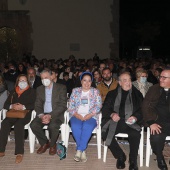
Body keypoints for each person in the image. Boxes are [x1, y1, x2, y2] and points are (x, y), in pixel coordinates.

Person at [102, 72, 143, 170]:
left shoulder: (137, 94)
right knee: (105, 132)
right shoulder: (112, 94)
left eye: (129, 80)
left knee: (135, 134)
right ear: (120, 83)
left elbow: (142, 109)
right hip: (117, 122)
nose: (128, 82)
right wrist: (112, 114)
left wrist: (135, 117)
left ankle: (133, 160)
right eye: (125, 80)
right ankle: (120, 156)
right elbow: (105, 109)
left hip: (131, 123)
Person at [0, 74, 36, 163]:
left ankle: (19, 153)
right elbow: (6, 104)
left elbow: (35, 104)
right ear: (17, 82)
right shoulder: (13, 92)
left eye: (24, 80)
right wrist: (13, 105)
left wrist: (23, 107)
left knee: (18, 125)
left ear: (27, 82)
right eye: (20, 80)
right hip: (13, 113)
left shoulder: (32, 91)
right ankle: (1, 150)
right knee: (4, 123)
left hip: (25, 114)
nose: (22, 82)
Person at [30, 70, 67, 155]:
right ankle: (45, 143)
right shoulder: (39, 89)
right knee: (33, 125)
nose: (44, 80)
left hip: (56, 114)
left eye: (46, 77)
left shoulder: (61, 87)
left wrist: (50, 115)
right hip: (43, 113)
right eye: (42, 78)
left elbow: (63, 105)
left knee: (53, 126)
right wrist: (42, 115)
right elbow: (37, 105)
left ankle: (53, 144)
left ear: (51, 77)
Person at [68, 72, 102, 162]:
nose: (87, 83)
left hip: (91, 116)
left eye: (89, 81)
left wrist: (90, 115)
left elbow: (99, 106)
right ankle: (82, 151)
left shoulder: (95, 91)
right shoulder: (75, 91)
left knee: (87, 126)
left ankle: (79, 150)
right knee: (75, 126)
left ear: (91, 82)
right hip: (76, 115)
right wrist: (77, 115)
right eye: (85, 80)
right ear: (81, 81)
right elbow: (70, 106)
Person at [142, 68, 170, 170]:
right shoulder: (154, 89)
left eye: (164, 77)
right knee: (156, 137)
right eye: (160, 77)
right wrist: (151, 122)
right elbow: (146, 106)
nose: (161, 79)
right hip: (158, 122)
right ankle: (159, 157)